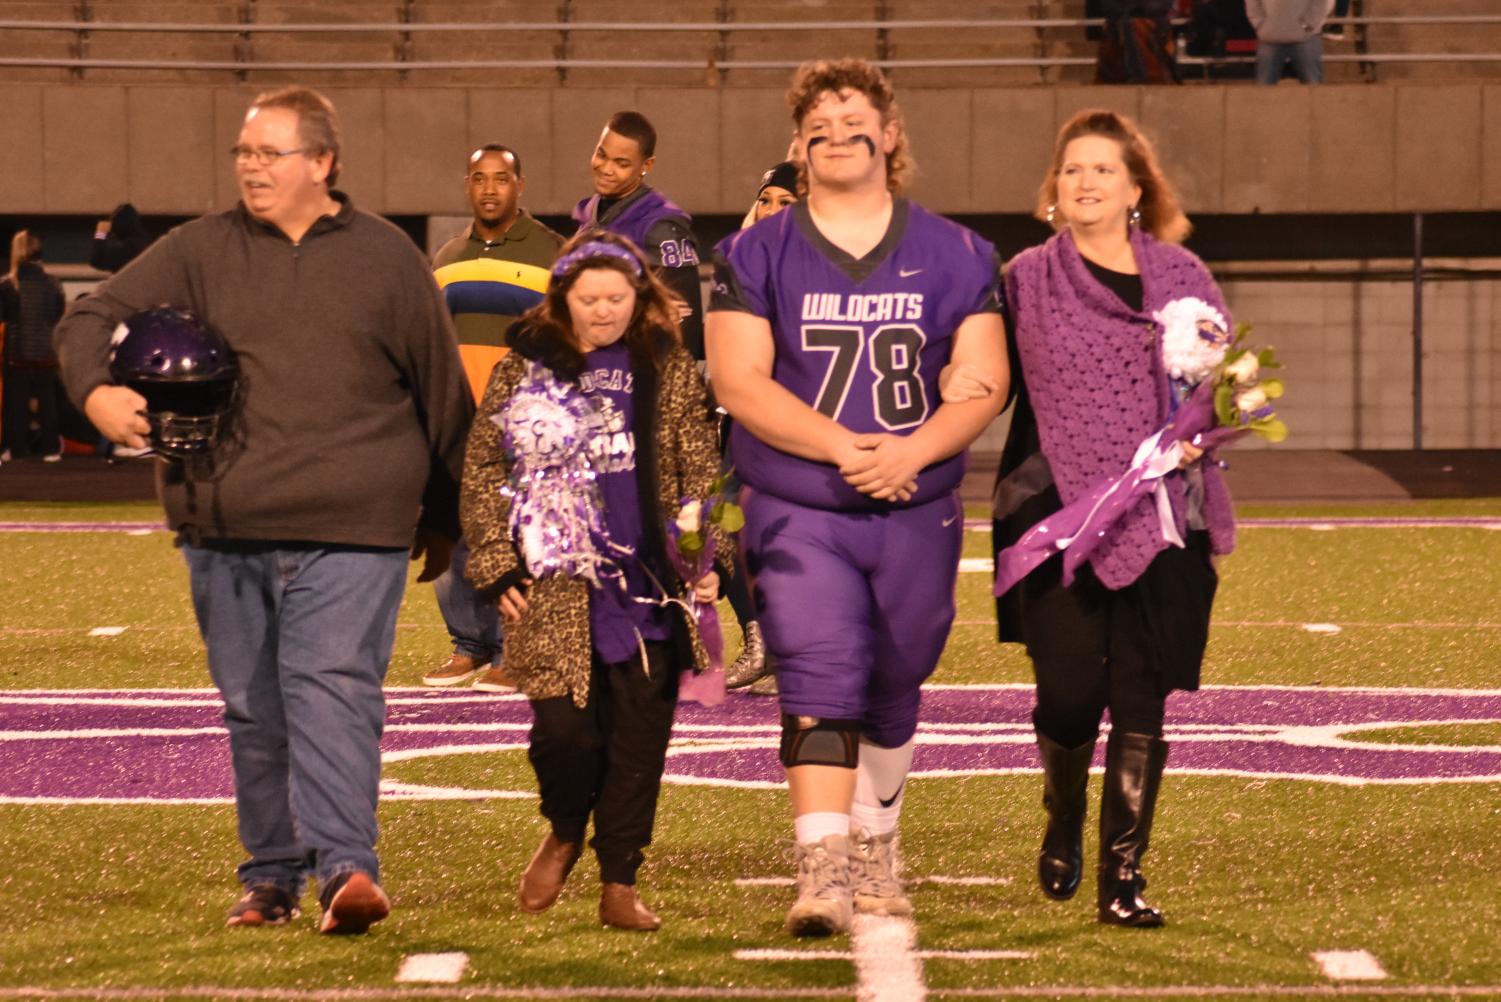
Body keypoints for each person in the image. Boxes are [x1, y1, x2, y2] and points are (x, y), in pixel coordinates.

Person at [53, 86, 472, 935]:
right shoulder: (200, 248)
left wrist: (449, 519)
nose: (251, 168)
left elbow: (443, 396)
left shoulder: (388, 258)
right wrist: (95, 393)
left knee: (331, 687)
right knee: (253, 704)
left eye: (269, 153)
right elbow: (91, 315)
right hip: (224, 519)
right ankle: (271, 874)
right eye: (244, 153)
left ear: (322, 162)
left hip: (355, 523)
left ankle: (347, 868)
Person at [706, 58, 1008, 937]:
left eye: (854, 118)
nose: (837, 133)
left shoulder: (956, 250)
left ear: (891, 134)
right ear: (797, 146)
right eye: (819, 123)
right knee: (816, 667)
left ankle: (878, 839)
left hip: (916, 504)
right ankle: (825, 867)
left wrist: (908, 451)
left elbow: (982, 377)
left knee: (898, 673)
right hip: (800, 502)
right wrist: (848, 449)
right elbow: (738, 381)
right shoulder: (753, 252)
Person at [984, 108, 1234, 928]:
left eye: (1101, 170)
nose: (1083, 182)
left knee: (1140, 692)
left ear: (1135, 189)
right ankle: (1062, 811)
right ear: (1053, 190)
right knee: (1066, 691)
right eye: (1070, 170)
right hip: (1057, 510)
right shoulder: (1024, 278)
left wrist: (1203, 436)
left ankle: (1121, 878)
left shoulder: (1184, 275)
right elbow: (981, 377)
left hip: (1163, 514)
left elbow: (1218, 388)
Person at [460, 229, 724, 932]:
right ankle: (565, 827)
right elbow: (485, 464)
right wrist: (494, 561)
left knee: (639, 744)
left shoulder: (665, 364)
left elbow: (700, 468)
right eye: (589, 299)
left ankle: (619, 880)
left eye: (616, 297)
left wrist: (707, 557)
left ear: (637, 297)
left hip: (649, 588)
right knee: (563, 735)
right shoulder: (525, 366)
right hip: (556, 586)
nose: (603, 311)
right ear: (562, 299)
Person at [426, 143, 565, 692]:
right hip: (458, 422)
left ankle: (515, 650)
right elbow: (433, 344)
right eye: (479, 179)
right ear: (468, 184)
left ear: (520, 185)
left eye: (501, 179)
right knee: (452, 533)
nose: (489, 189)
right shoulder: (446, 258)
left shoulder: (554, 253)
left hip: (525, 423)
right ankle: (470, 646)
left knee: (519, 538)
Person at [721, 159, 801, 698]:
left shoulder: (822, 265)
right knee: (717, 522)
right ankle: (759, 638)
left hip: (799, 419)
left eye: (786, 203)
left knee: (794, 531)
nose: (771, 211)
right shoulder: (736, 257)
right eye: (766, 199)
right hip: (742, 418)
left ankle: (796, 646)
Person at [572, 111, 706, 360]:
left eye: (621, 163)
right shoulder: (589, 211)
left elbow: (685, 323)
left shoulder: (661, 226)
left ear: (646, 166)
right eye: (601, 155)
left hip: (638, 377)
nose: (606, 169)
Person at [1, 231, 66, 464]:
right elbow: (59, 316)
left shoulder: (8, 285)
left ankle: (14, 448)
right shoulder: (53, 284)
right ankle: (51, 448)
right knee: (48, 403)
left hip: (17, 352)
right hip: (47, 351)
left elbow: (4, 319)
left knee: (15, 405)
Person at [1247, 0, 1336, 84]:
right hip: (1270, 38)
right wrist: (1260, 24)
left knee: (1313, 88)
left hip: (1306, 38)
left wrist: (1308, 25)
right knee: (1264, 89)